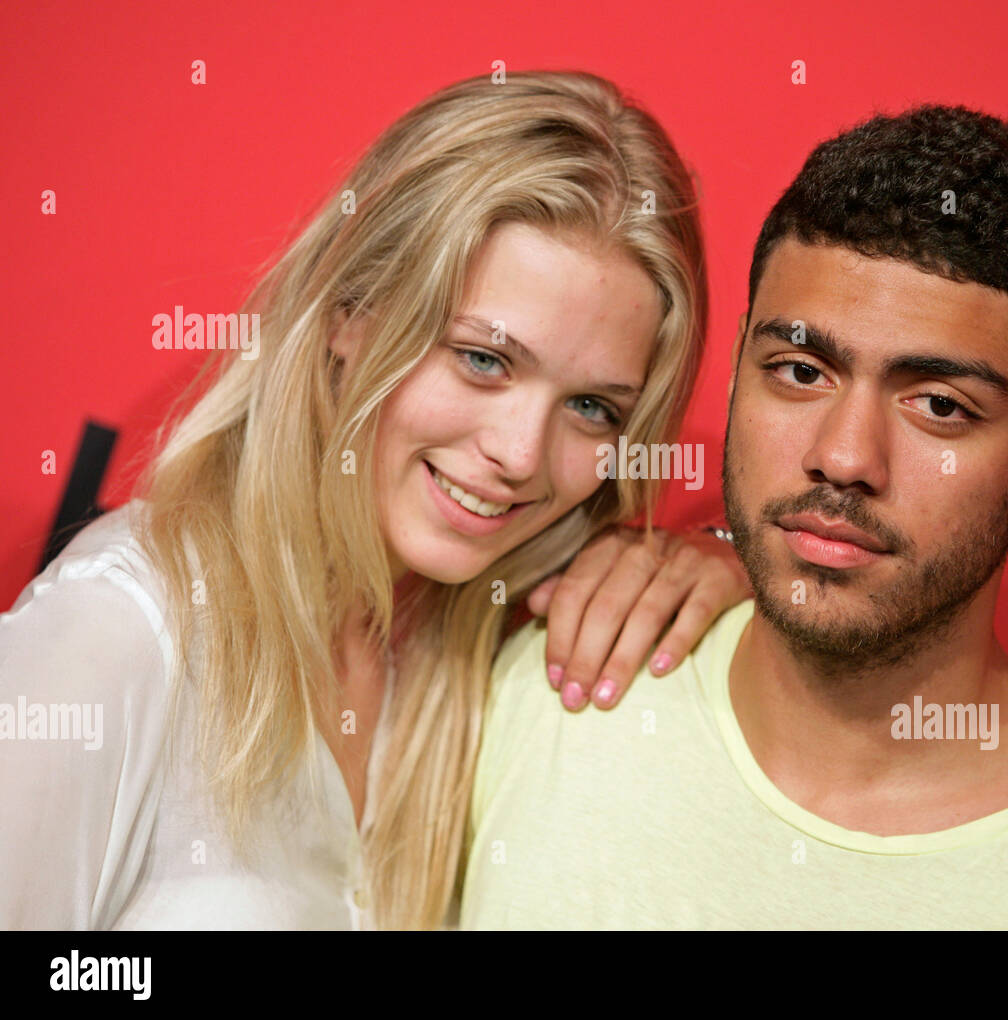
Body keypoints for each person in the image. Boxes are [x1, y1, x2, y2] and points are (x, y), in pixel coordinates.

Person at [458, 104, 1008, 929]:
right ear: (740, 371)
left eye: (939, 406)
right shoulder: (546, 684)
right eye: (802, 371)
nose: (846, 457)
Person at [0, 70, 750, 930]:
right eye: (483, 358)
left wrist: (729, 556)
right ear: (348, 314)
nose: (519, 454)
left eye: (592, 408)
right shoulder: (118, 634)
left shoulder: (495, 666)